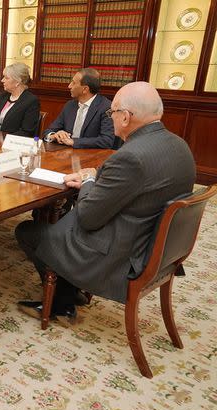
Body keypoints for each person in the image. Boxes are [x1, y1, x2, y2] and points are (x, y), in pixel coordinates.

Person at [15, 81, 196, 322]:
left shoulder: (130, 157)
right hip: (153, 243)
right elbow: (139, 181)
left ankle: (60, 302)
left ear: (125, 117)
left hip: (121, 253)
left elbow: (89, 218)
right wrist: (100, 176)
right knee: (63, 222)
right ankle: (71, 291)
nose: (110, 117)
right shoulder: (178, 145)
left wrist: (89, 181)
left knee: (28, 230)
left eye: (112, 113)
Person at [43, 68, 115, 148]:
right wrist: (54, 135)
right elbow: (48, 131)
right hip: (65, 154)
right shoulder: (70, 105)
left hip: (91, 156)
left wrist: (74, 142)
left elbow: (107, 140)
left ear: (85, 89)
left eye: (73, 83)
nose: (69, 86)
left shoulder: (106, 107)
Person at [0, 63, 40, 136]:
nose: (2, 80)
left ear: (17, 82)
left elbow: (26, 131)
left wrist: (5, 140)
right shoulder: (2, 97)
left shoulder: (31, 101)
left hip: (14, 144)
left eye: (6, 78)